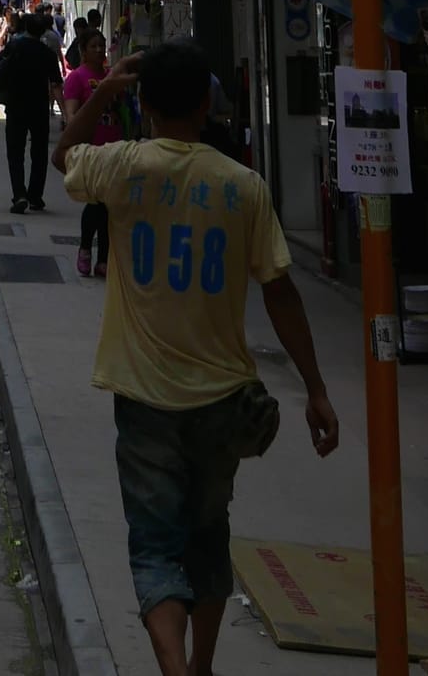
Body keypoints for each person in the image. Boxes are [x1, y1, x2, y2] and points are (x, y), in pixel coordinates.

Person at [54, 42, 339, 676]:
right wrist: (316, 387)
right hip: (221, 399)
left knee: (155, 545)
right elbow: (282, 292)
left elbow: (62, 156)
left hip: (144, 396)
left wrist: (102, 92)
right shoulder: (243, 186)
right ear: (208, 104)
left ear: (145, 104)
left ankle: (177, 672)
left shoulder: (124, 166)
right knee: (209, 539)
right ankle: (203, 667)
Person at [62, 37, 122, 279]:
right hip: (90, 148)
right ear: (83, 50)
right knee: (96, 201)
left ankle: (104, 259)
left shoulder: (112, 76)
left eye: (101, 46)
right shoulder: (77, 77)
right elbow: (71, 113)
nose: (98, 50)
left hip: (115, 148)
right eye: (93, 46)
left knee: (110, 204)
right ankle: (86, 247)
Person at [0, 11, 64, 213]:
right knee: (39, 153)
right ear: (43, 31)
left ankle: (19, 195)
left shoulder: (14, 47)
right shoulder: (47, 54)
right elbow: (57, 85)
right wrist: (66, 114)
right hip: (39, 108)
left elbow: (0, 69)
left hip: (15, 106)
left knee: (15, 153)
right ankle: (35, 196)